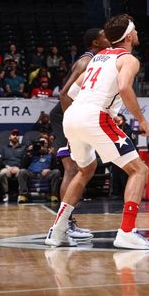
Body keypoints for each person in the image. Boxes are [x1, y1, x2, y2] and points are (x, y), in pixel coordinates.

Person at [45, 14, 149, 250]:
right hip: (93, 116)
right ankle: (127, 231)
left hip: (73, 116)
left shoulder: (97, 58)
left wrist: (100, 112)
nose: (137, 33)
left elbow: (72, 93)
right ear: (128, 36)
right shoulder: (128, 59)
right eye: (135, 30)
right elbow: (125, 88)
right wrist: (142, 120)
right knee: (139, 170)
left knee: (85, 170)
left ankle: (57, 230)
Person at [48, 27, 109, 239]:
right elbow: (64, 94)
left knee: (78, 170)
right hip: (64, 116)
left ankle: (66, 223)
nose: (107, 37)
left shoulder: (99, 60)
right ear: (95, 42)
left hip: (70, 115)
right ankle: (64, 224)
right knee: (72, 170)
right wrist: (71, 124)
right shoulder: (86, 61)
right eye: (104, 35)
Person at [18, 137, 61, 202]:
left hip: (45, 175)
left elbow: (56, 167)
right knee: (22, 172)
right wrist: (28, 153)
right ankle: (23, 195)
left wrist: (49, 169)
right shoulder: (32, 154)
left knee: (56, 172)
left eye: (44, 143)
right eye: (40, 143)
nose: (42, 145)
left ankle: (53, 195)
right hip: (32, 174)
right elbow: (22, 166)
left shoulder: (50, 154)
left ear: (47, 145)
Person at [0, 129, 25, 202]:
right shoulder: (4, 148)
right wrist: (7, 166)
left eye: (17, 135)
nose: (15, 136)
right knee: (2, 173)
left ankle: (21, 195)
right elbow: (1, 160)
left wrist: (18, 167)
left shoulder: (23, 148)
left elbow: (24, 160)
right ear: (9, 137)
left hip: (18, 168)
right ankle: (5, 193)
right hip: (7, 168)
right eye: (13, 135)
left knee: (22, 173)